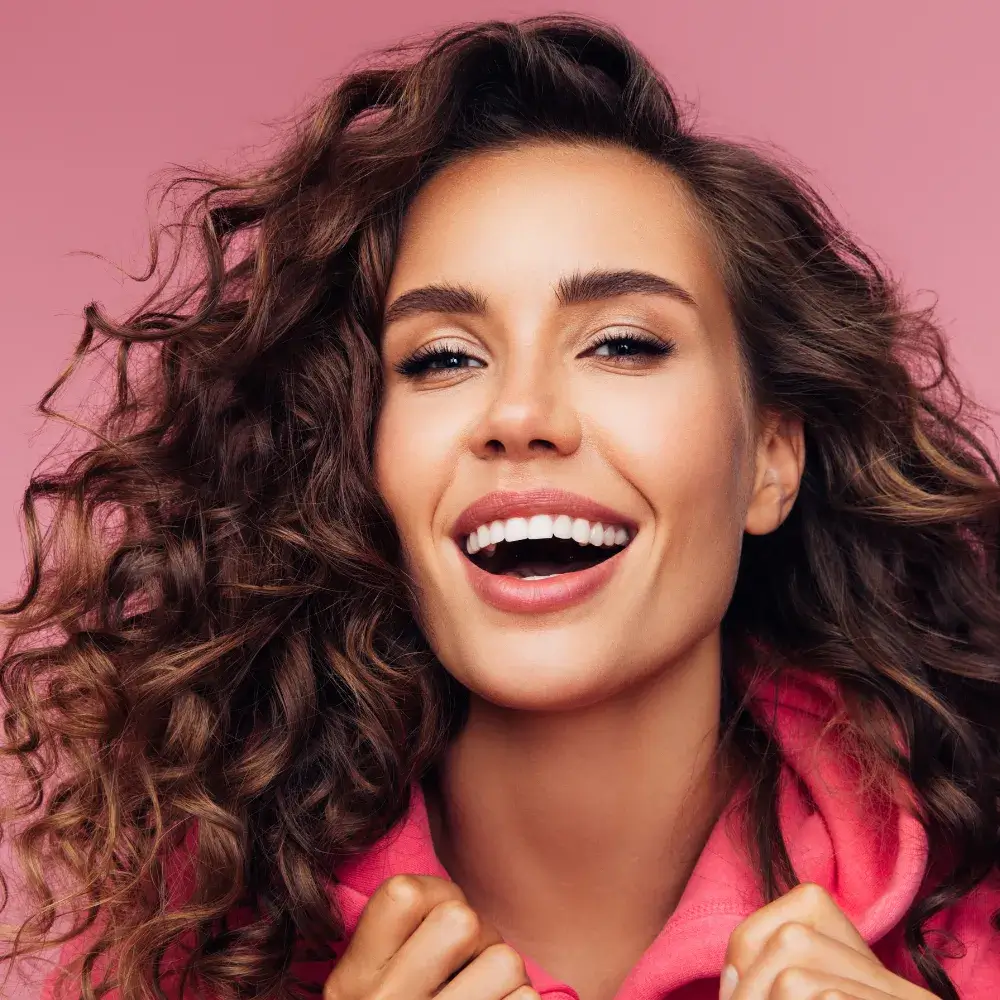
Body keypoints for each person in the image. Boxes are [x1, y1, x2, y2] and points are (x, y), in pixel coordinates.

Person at [1, 13, 998, 1000]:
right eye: (443, 358)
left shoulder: (975, 904)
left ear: (771, 461)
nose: (519, 414)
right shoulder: (174, 953)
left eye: (621, 343)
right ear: (358, 463)